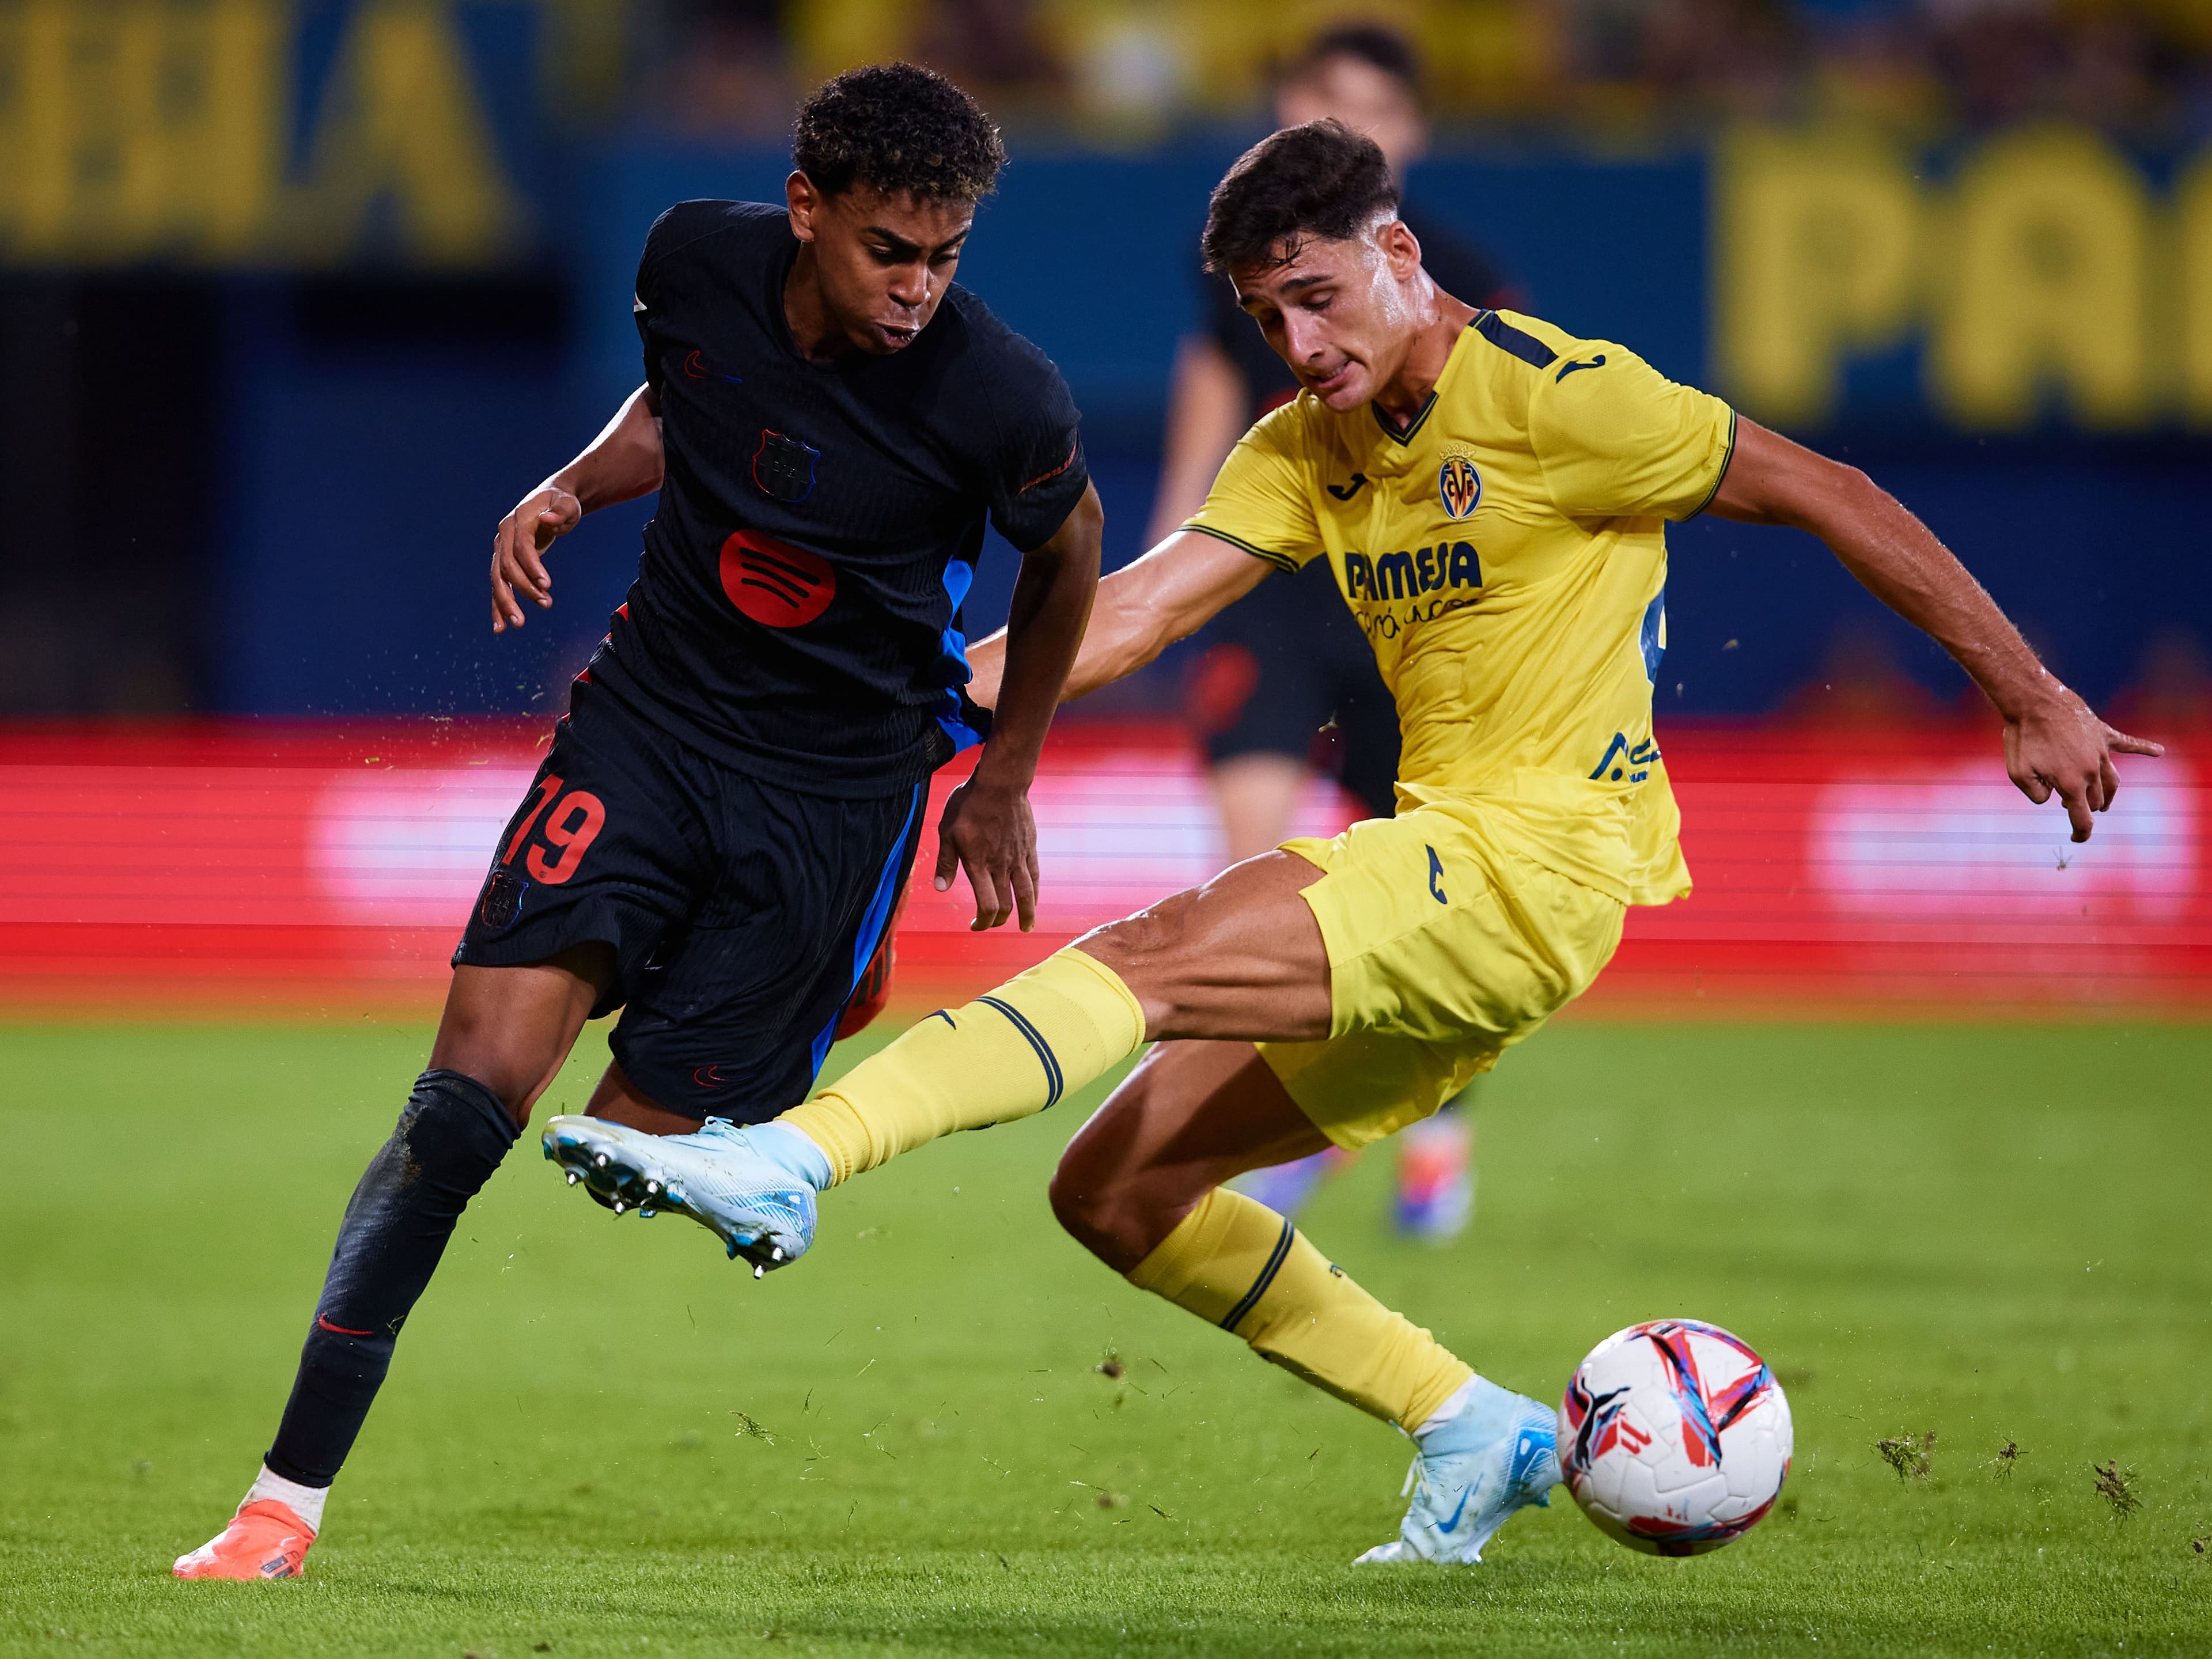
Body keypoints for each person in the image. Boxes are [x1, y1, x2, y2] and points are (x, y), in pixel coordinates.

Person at [541, 118, 2154, 1566]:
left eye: (1317, 296)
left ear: (1400, 254)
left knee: (1143, 962)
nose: (1296, 342)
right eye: (1265, 318)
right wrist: (902, 702)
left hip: (1537, 861)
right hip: (1469, 907)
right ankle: (1471, 1426)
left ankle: (793, 1155)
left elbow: (1833, 488)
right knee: (1119, 1190)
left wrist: (2029, 695)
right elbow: (1139, 610)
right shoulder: (1305, 448)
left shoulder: (1566, 399)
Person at [172, 63, 1103, 1581]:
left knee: (637, 1151)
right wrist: (570, 486)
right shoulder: (690, 258)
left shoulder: (1002, 398)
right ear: (806, 212)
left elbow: (1071, 552)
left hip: (834, 790)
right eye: (890, 251)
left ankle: (774, 1047)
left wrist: (1002, 769)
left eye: (946, 257)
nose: (921, 288)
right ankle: (283, 1501)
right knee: (465, 1103)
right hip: (651, 725)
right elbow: (689, 398)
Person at [1154, 25, 1512, 1240]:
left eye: (1366, 107)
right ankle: (1283, 1117)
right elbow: (1204, 420)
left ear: (1410, 134)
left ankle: (1430, 1120)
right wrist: (1158, 586)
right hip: (1270, 595)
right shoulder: (1238, 279)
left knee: (1420, 889)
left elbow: (1509, 461)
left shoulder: (1464, 278)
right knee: (1250, 872)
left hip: (1408, 607)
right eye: (1318, 101)